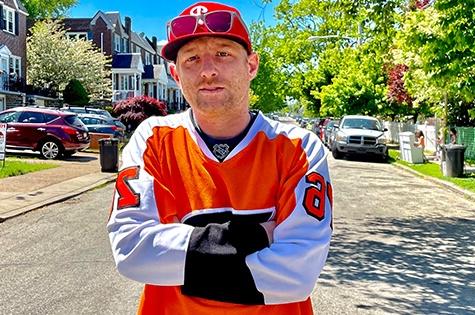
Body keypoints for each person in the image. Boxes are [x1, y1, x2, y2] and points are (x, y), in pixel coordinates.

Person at [107, 2, 332, 314]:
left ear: (251, 65)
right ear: (175, 73)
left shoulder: (298, 147)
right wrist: (257, 236)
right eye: (192, 58)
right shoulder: (152, 141)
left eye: (223, 53)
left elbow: (297, 275)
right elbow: (132, 252)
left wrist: (178, 257)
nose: (208, 70)